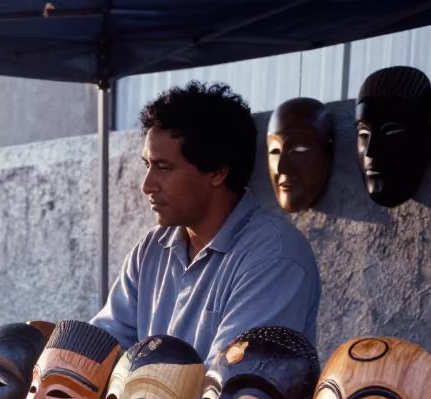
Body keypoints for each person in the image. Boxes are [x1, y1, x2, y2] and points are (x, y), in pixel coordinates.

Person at [91, 81, 320, 360]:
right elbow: (101, 349)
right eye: (147, 165)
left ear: (217, 173)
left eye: (164, 168)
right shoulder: (151, 249)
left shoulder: (274, 256)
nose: (147, 185)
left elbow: (228, 388)